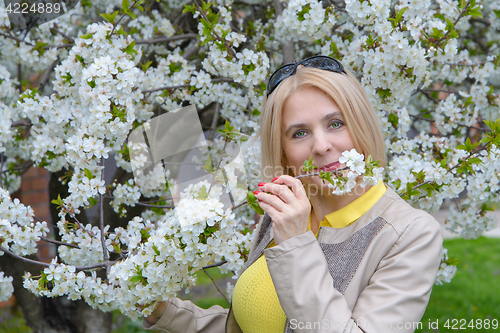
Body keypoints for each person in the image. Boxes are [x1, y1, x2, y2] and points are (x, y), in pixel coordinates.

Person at [143, 55, 443, 333]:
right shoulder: (288, 211)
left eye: (335, 123)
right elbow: (254, 324)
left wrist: (298, 244)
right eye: (299, 133)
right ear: (284, 151)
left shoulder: (409, 233)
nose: (322, 145)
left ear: (362, 125)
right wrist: (167, 314)